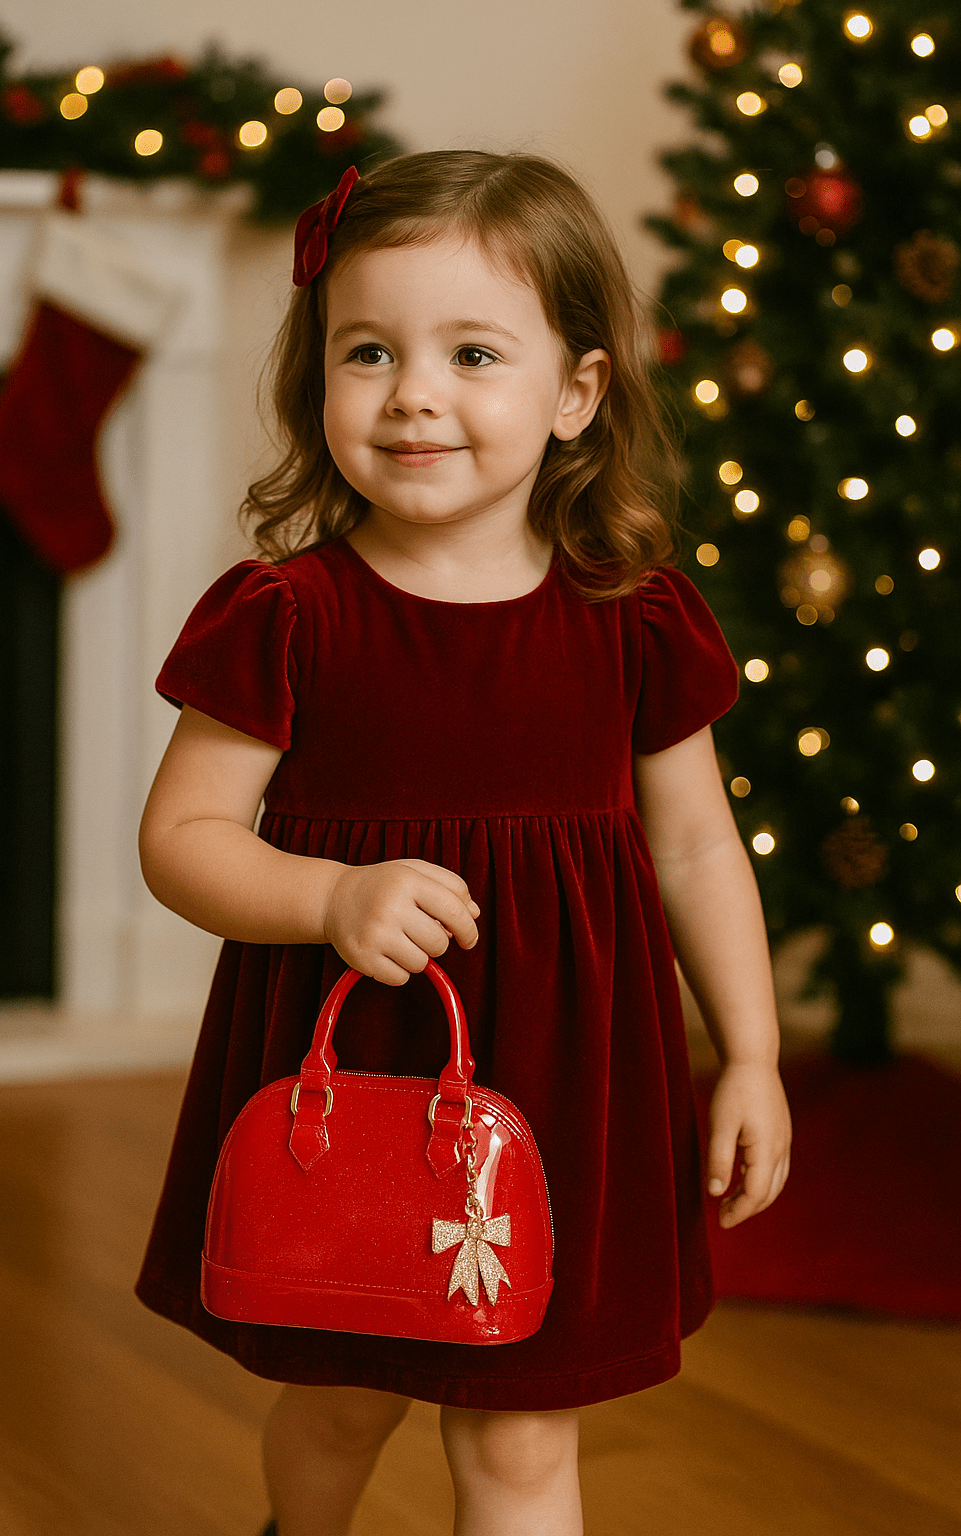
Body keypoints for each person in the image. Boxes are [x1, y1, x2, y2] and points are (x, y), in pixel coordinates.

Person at [136, 150, 791, 1536]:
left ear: (576, 394)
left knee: (519, 1441)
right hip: (353, 1084)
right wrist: (328, 896)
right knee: (339, 1402)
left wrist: (753, 1052)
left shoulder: (634, 615)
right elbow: (182, 838)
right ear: (320, 379)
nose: (414, 393)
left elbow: (694, 853)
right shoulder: (289, 614)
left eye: (473, 352)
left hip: (564, 1083)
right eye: (367, 351)